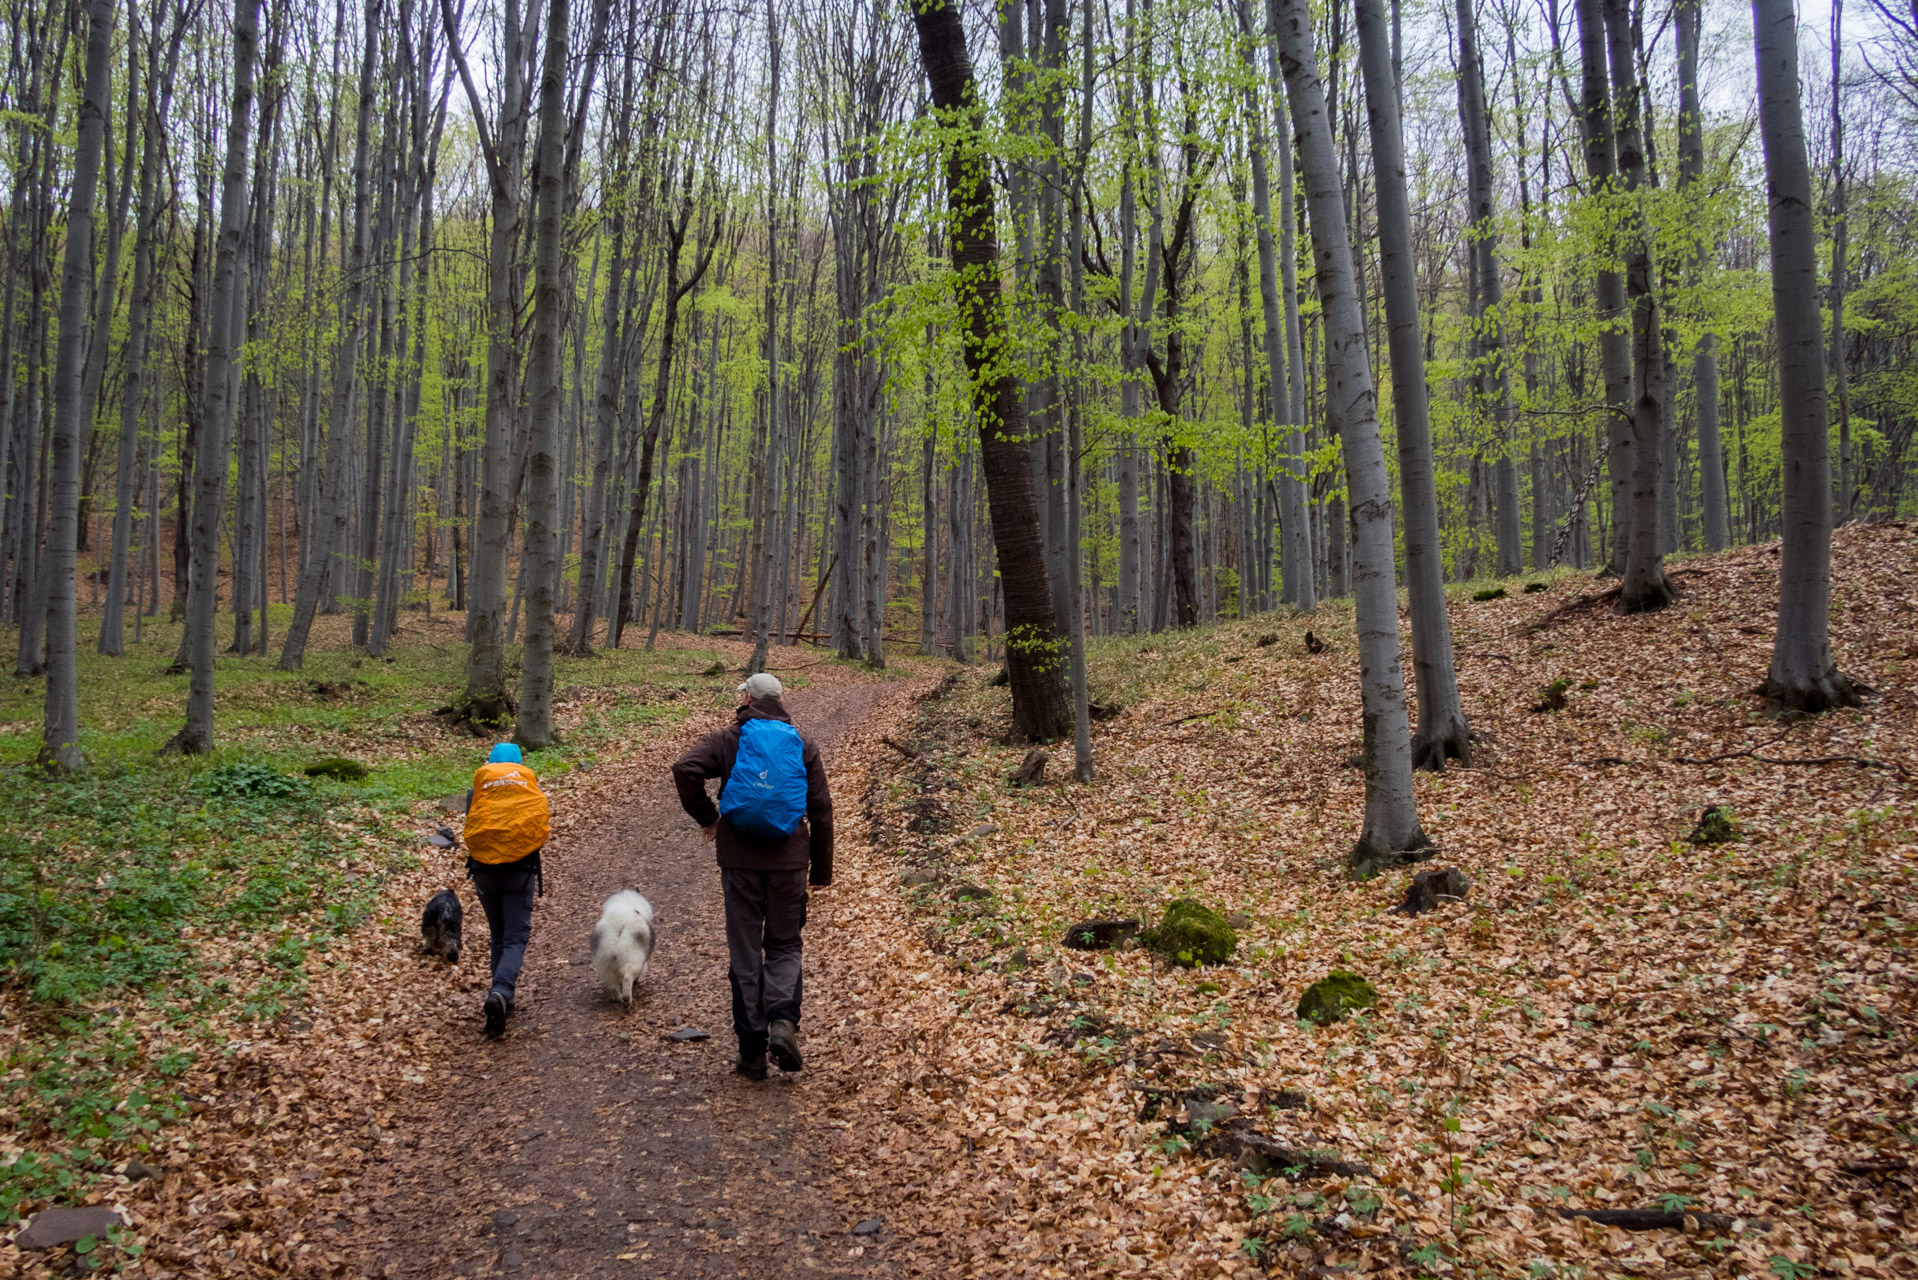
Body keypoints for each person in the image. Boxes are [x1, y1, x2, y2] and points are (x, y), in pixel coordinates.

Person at [671, 672, 833, 1080]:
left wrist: (709, 818)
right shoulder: (802, 743)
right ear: (781, 699)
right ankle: (782, 1023)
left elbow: (685, 769)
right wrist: (821, 870)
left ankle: (751, 1052)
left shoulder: (727, 739)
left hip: (740, 862)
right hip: (790, 862)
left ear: (745, 697)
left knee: (745, 953)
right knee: (783, 946)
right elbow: (821, 809)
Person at [463, 743, 550, 1038]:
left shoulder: (478, 791)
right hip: (519, 870)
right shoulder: (527, 787)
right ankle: (501, 992)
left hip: (484, 871)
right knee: (515, 937)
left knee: (498, 934)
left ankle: (501, 997)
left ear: (490, 763)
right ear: (518, 764)